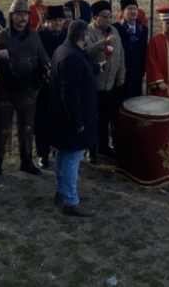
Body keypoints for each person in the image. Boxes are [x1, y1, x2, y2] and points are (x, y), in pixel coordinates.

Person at [0, 0, 51, 182]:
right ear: (12, 15)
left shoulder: (35, 36)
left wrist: (48, 69)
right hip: (5, 89)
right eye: (19, 14)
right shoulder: (1, 36)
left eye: (25, 14)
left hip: (28, 89)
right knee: (2, 129)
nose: (23, 18)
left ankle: (26, 161)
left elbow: (44, 59)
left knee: (27, 128)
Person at [46, 20, 99, 217]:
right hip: (70, 120)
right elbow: (70, 93)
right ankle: (70, 200)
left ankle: (61, 191)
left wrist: (95, 68)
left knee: (62, 154)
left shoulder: (63, 49)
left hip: (60, 118)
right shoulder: (72, 57)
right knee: (72, 158)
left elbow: (77, 74)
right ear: (85, 36)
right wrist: (77, 123)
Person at [85, 0, 125, 162]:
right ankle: (91, 150)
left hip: (111, 85)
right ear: (95, 18)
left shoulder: (114, 29)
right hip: (95, 85)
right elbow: (88, 53)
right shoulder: (88, 32)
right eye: (104, 16)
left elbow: (121, 54)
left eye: (109, 15)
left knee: (107, 117)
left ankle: (104, 147)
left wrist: (121, 73)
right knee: (93, 119)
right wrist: (104, 42)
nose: (108, 19)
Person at [34, 5, 67, 168]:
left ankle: (57, 149)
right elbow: (34, 60)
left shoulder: (67, 37)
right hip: (44, 86)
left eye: (60, 20)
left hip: (62, 86)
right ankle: (42, 153)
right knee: (42, 121)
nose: (58, 23)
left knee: (60, 120)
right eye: (54, 20)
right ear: (47, 22)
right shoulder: (39, 37)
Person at [112, 0, 148, 102]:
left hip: (137, 73)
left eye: (135, 8)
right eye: (129, 9)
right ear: (122, 12)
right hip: (121, 73)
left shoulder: (143, 29)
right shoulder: (115, 29)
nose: (133, 11)